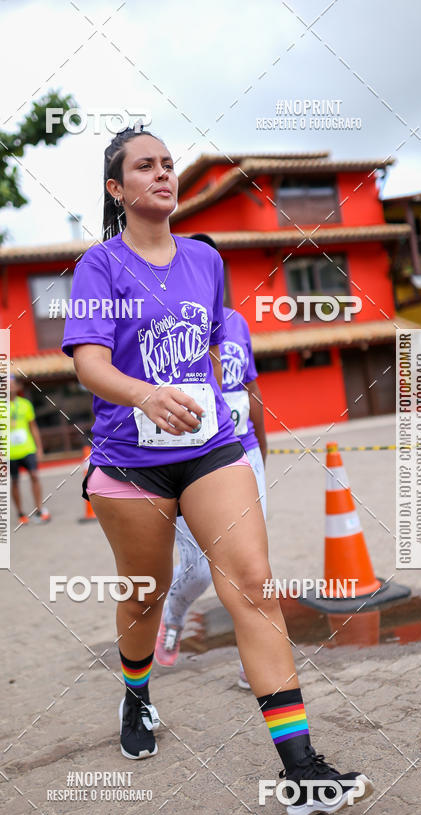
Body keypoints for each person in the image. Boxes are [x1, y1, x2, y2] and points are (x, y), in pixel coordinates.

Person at [62, 125, 373, 815]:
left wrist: (220, 413)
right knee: (148, 594)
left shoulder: (206, 260)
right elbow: (87, 362)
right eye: (145, 166)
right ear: (117, 188)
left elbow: (208, 349)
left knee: (254, 586)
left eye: (169, 164)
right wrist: (145, 394)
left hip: (209, 448)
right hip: (130, 462)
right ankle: (138, 693)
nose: (163, 174)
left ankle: (302, 772)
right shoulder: (99, 266)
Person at [155, 234, 267, 691]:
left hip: (246, 453)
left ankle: (254, 663)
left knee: (253, 567)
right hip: (192, 457)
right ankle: (172, 616)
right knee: (200, 568)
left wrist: (264, 447)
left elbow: (251, 388)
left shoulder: (237, 323)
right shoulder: (163, 323)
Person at [4, 375, 50, 525]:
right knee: (15, 481)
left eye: (12, 384)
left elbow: (33, 427)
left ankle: (39, 509)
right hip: (9, 452)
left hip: (28, 448)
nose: (10, 387)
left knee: (34, 476)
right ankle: (20, 513)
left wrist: (39, 448)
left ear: (18, 387)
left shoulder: (25, 405)